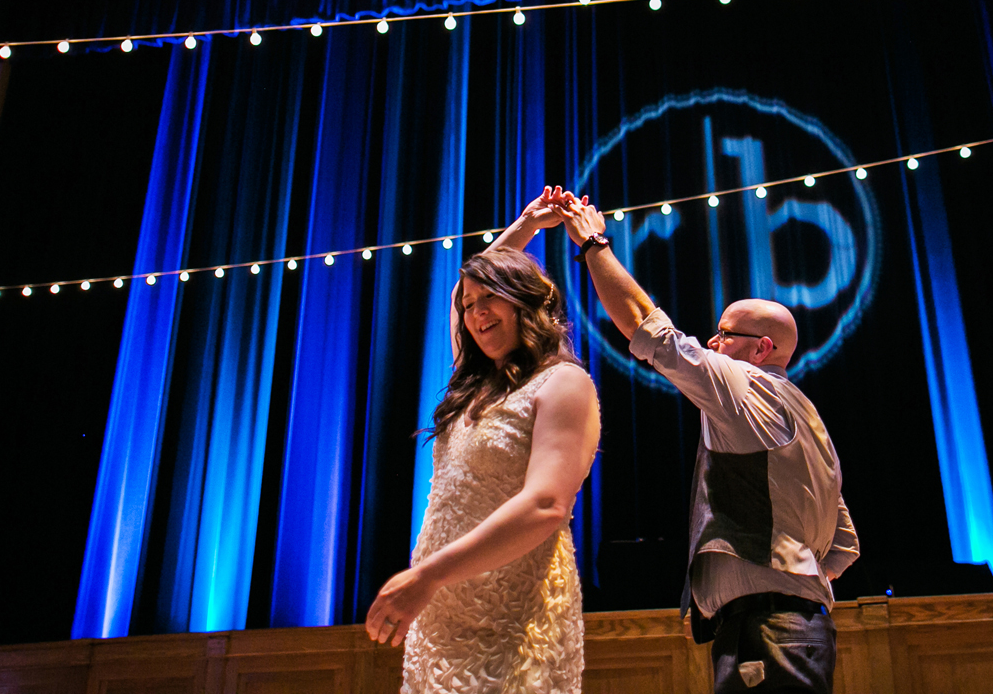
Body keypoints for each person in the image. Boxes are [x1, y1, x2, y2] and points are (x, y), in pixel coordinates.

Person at [556, 193, 858, 694]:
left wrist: (592, 243)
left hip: (772, 630)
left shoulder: (747, 384)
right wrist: (791, 583)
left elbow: (647, 328)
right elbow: (843, 547)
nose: (713, 343)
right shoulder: (810, 420)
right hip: (787, 627)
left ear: (762, 348)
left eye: (724, 333)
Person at [367, 191, 601, 694]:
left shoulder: (564, 384)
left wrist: (426, 575)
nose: (476, 314)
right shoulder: (475, 382)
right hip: (442, 619)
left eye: (490, 298)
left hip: (518, 618)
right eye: (469, 305)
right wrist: (522, 226)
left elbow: (545, 506)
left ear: (525, 300)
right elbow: (461, 299)